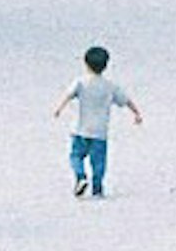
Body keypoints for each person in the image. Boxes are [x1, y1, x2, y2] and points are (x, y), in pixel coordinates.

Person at [53, 43, 142, 199]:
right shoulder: (110, 86)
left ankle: (80, 177)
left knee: (76, 156)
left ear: (85, 63)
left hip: (80, 129)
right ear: (105, 66)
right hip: (100, 132)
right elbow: (126, 100)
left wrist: (59, 108)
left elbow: (68, 95)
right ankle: (97, 189)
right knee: (99, 163)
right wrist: (136, 113)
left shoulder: (81, 82)